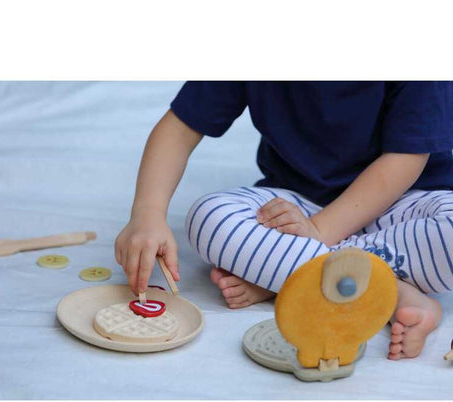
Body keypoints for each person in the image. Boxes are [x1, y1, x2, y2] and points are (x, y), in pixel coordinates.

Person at [115, 81, 453, 360]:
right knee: (209, 218)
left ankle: (285, 273)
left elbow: (406, 160)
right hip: (294, 208)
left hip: (403, 202)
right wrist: (147, 213)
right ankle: (388, 290)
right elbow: (179, 128)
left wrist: (319, 233)